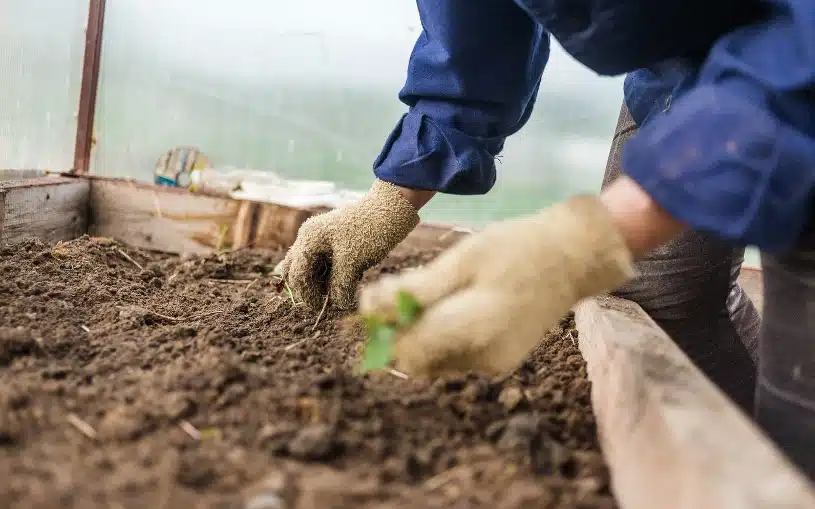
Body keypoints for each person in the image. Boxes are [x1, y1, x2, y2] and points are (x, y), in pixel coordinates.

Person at [278, 0, 815, 479]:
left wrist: (592, 238)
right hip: (686, 70)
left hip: (794, 58)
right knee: (660, 293)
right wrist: (388, 201)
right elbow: (472, 29)